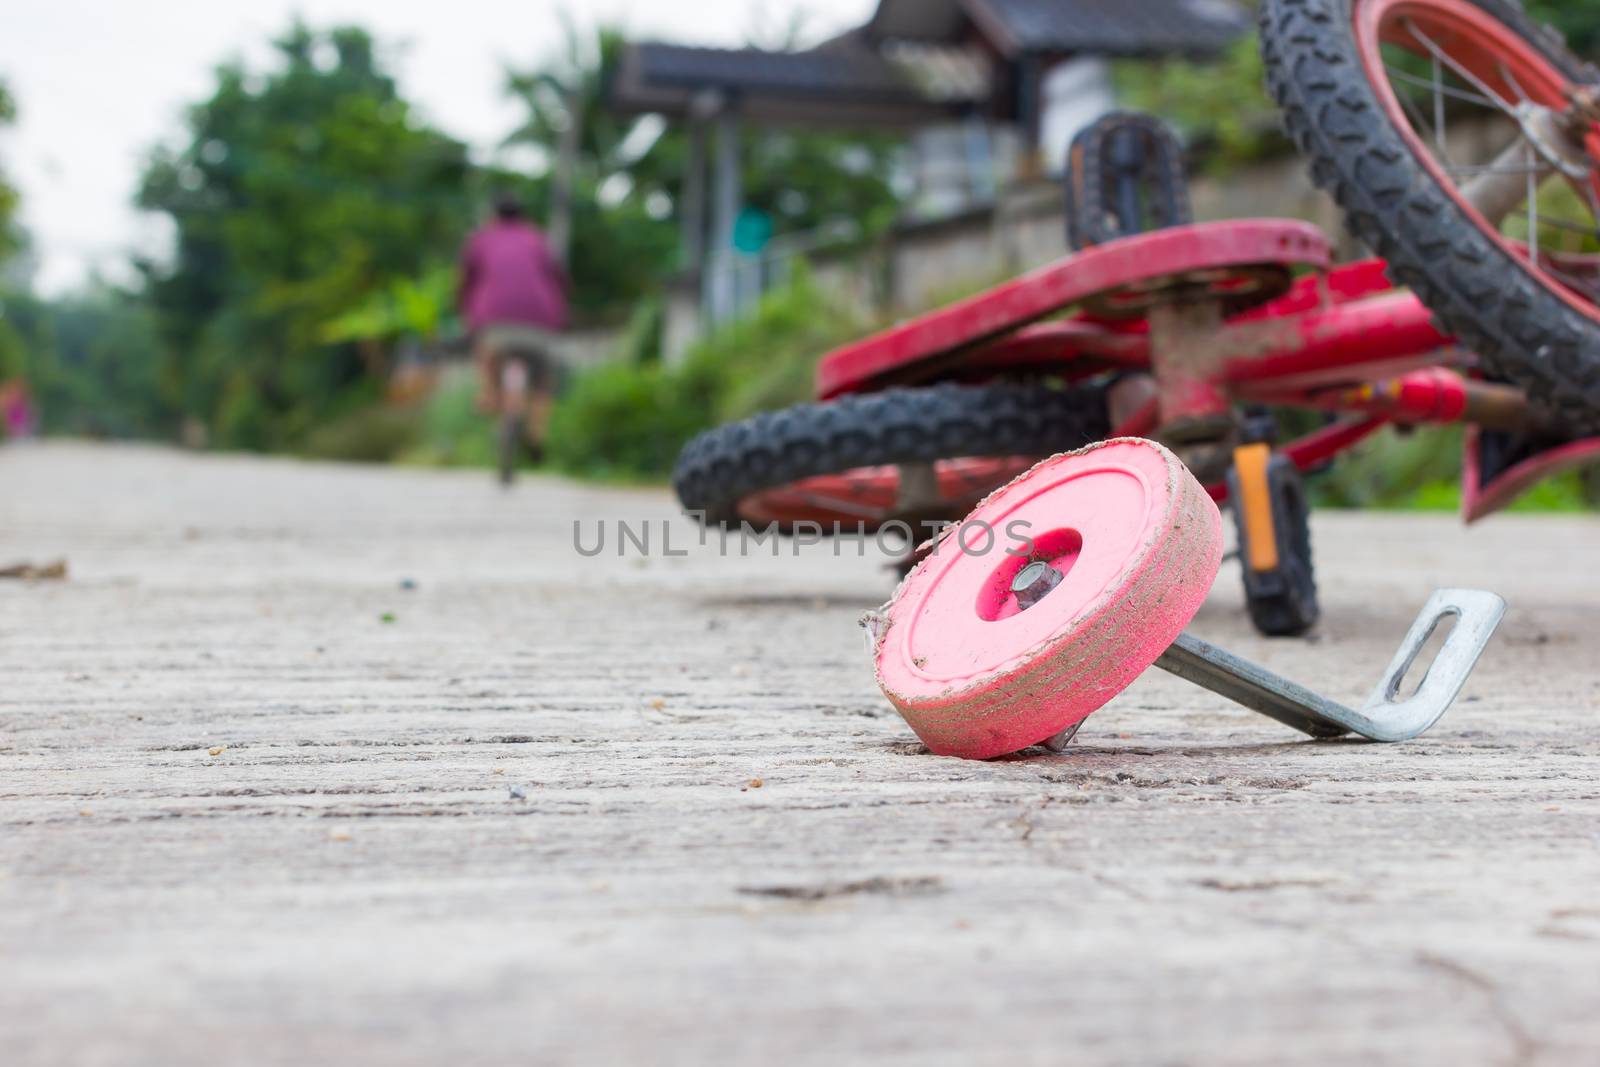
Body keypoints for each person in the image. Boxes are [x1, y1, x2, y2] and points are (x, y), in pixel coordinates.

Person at [458, 193, 569, 464]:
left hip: (495, 319)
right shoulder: (537, 238)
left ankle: (489, 395)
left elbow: (465, 280)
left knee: (485, 351)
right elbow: (560, 278)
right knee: (543, 383)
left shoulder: (481, 239)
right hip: (540, 321)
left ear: (493, 215)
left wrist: (466, 313)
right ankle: (536, 432)